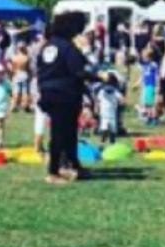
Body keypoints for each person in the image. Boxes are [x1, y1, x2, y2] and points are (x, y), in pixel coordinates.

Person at [37, 12, 111, 185]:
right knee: (62, 134)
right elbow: (79, 71)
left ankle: (73, 165)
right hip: (64, 95)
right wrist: (100, 77)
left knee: (67, 132)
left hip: (49, 93)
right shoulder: (68, 48)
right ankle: (53, 171)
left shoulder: (48, 46)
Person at [96, 78, 124, 145]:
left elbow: (122, 100)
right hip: (104, 114)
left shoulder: (116, 93)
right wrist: (96, 108)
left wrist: (121, 102)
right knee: (104, 129)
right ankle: (102, 142)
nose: (108, 92)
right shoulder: (102, 92)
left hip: (112, 114)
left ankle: (112, 143)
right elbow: (98, 101)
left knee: (112, 130)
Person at [10, 42, 32, 112]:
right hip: (24, 74)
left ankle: (14, 105)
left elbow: (13, 68)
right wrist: (30, 75)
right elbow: (28, 68)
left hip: (17, 74)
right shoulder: (26, 57)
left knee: (16, 91)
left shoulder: (14, 57)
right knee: (25, 91)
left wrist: (13, 74)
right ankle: (25, 106)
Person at [139, 49, 159, 125]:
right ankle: (149, 117)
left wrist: (157, 86)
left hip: (151, 85)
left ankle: (154, 118)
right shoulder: (144, 65)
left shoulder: (153, 65)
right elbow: (143, 76)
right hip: (146, 86)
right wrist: (138, 84)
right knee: (147, 103)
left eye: (145, 57)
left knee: (151, 104)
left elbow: (157, 76)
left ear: (149, 57)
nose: (143, 59)